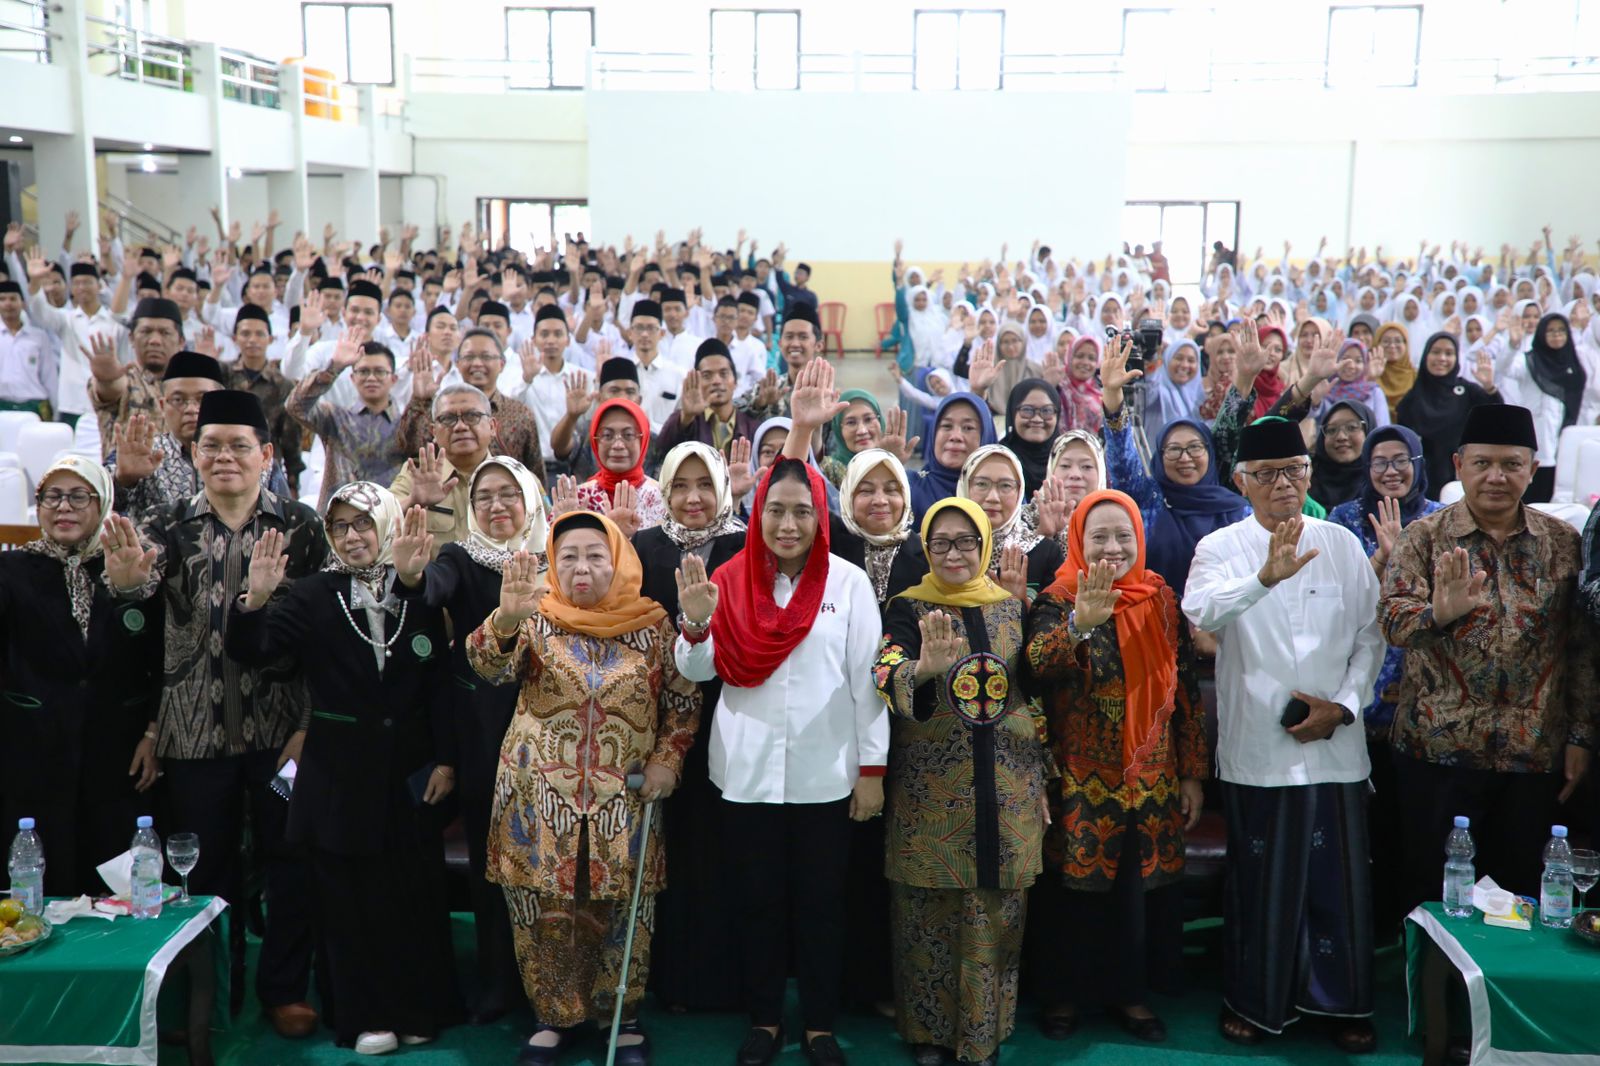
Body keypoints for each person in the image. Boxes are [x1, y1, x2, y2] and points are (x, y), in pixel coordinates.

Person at [101, 389, 328, 1039]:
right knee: (205, 871)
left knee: (291, 862)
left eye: (238, 446)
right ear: (195, 455)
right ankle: (214, 993)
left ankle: (283, 990)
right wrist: (125, 585)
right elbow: (137, 599)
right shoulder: (168, 523)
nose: (225, 457)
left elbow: (324, 636)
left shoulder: (302, 528)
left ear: (266, 454)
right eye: (211, 446)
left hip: (282, 731)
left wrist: (309, 725)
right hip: (194, 729)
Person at [228, 483, 462, 1054]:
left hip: (411, 769)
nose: (353, 536)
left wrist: (448, 759)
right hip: (338, 771)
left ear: (386, 524)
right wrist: (255, 601)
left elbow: (441, 684)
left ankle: (417, 1009)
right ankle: (362, 1016)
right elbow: (255, 651)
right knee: (348, 899)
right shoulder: (312, 593)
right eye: (340, 526)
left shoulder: (416, 586)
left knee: (413, 892)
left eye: (363, 523)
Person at [674, 458, 887, 1066]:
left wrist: (872, 771)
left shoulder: (848, 583)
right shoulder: (729, 578)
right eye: (775, 510)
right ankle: (764, 1020)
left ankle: (819, 1025)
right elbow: (698, 671)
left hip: (827, 774)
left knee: (822, 906)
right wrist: (695, 621)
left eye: (802, 512)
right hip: (746, 772)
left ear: (821, 517)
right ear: (757, 514)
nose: (788, 525)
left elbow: (869, 683)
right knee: (756, 903)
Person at [1182, 418, 1384, 1053]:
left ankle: (1345, 1003)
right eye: (1266, 474)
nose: (1282, 485)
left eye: (1293, 471)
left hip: (1336, 746)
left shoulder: (1342, 545)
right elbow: (1201, 611)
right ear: (1242, 481)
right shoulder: (1220, 548)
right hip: (1259, 753)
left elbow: (1371, 638)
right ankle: (1256, 1001)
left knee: (1339, 885)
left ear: (1309, 474)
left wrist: (1342, 708)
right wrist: (1264, 578)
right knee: (1263, 886)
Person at [467, 511, 698, 1066]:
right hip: (538, 797)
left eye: (595, 556)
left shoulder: (654, 626)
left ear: (618, 560)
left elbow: (683, 701)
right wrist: (504, 619)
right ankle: (553, 1016)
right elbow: (488, 668)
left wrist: (667, 762)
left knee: (624, 905)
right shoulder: (535, 616)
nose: (581, 568)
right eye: (568, 557)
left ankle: (622, 1016)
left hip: (626, 796)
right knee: (543, 907)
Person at [1381, 404, 1595, 908]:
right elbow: (1392, 622)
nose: (1496, 477)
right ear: (1459, 465)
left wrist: (1581, 736)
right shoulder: (1423, 537)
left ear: (1533, 469)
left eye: (1511, 464)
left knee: (1518, 898)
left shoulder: (1562, 542)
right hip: (1438, 753)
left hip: (1533, 753)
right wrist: (1437, 614)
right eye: (1482, 463)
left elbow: (1582, 647)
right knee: (1434, 896)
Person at [1025, 489, 1207, 1044]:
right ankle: (1063, 997)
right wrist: (1079, 625)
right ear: (1078, 541)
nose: (1112, 547)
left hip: (1151, 775)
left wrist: (1191, 773)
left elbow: (1186, 691)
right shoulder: (1058, 599)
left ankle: (1131, 995)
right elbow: (1034, 669)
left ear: (1139, 539)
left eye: (1123, 536)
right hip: (1078, 775)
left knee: (1136, 892)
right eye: (1098, 536)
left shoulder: (1161, 599)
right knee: (1072, 894)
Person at [874, 497, 1047, 1066]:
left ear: (984, 546)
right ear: (926, 548)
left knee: (996, 914)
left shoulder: (1012, 608)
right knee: (926, 915)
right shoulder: (907, 606)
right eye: (941, 542)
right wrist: (921, 670)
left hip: (1007, 785)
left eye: (966, 541)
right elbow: (883, 669)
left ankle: (983, 1035)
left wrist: (1043, 779)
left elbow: (1035, 693)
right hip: (931, 793)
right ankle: (928, 1036)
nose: (954, 553)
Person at [392, 455, 546, 1024]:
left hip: (550, 728)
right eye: (484, 497)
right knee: (491, 863)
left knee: (547, 860)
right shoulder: (462, 556)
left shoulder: (555, 556)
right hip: (482, 730)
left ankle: (553, 984)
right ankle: (499, 983)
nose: (497, 506)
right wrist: (412, 575)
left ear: (529, 499)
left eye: (508, 494)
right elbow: (432, 588)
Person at [0, 455, 157, 897]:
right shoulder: (11, 571)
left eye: (78, 496)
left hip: (117, 755)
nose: (63, 507)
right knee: (43, 887)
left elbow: (157, 657)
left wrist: (129, 591)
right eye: (52, 496)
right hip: (34, 754)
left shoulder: (127, 563)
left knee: (114, 887)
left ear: (102, 503)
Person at [633, 441, 748, 1013]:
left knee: (724, 846)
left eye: (705, 484)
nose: (693, 497)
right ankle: (671, 978)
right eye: (680, 485)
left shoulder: (745, 546)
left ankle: (726, 980)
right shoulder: (644, 546)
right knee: (672, 844)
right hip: (663, 719)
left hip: (733, 710)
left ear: (723, 488)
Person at [1325, 424, 1443, 934]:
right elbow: (1333, 600)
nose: (1390, 471)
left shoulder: (1441, 520)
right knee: (1357, 829)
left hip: (1422, 702)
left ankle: (1407, 931)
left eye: (1401, 460)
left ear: (1419, 463)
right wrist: (1378, 562)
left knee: (1411, 827)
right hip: (1357, 695)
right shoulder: (1343, 520)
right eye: (1379, 462)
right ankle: (1360, 930)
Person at [1102, 335, 1248, 596]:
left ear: (1210, 453)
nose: (1185, 458)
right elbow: (1122, 460)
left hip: (1225, 617)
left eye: (1195, 448)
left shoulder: (1239, 510)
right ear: (1159, 456)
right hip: (1157, 616)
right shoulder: (1150, 501)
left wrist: (1246, 377)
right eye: (1173, 450)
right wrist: (1113, 395)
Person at [400, 329, 548, 486]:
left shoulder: (520, 414)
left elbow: (535, 472)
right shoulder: (440, 412)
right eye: (469, 357)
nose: (477, 363)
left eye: (486, 357)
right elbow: (405, 449)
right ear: (458, 364)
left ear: (501, 364)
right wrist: (419, 400)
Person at [287, 334, 406, 510]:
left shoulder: (406, 426)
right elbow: (295, 406)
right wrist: (333, 368)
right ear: (352, 378)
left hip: (391, 516)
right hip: (338, 518)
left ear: (393, 379)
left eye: (379, 371)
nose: (371, 378)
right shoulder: (335, 418)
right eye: (363, 371)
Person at [391, 382, 500, 551]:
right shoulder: (418, 473)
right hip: (433, 568)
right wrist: (413, 500)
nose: (460, 427)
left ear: (492, 426)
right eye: (448, 419)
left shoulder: (515, 476)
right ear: (434, 432)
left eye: (472, 416)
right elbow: (381, 517)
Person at [1395, 331, 1501, 500]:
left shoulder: (1467, 391)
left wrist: (1489, 387)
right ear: (1426, 355)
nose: (1442, 358)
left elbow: (1497, 417)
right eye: (1436, 352)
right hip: (1422, 481)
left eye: (1449, 353)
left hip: (1460, 477)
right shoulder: (1412, 398)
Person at [1497, 312, 1587, 502]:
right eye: (1551, 331)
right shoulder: (1529, 361)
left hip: (1564, 440)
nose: (1556, 335)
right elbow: (1505, 369)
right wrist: (1512, 345)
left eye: (1561, 330)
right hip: (1536, 442)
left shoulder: (1573, 364)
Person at [956, 444, 1066, 598]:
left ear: (1019, 492)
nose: (993, 497)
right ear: (965, 486)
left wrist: (1017, 602)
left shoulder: (1044, 553)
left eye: (1005, 486)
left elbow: (1057, 610)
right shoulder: (943, 547)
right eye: (981, 484)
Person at [556, 397, 667, 534]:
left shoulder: (661, 498)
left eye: (628, 435)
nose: (618, 445)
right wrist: (565, 527)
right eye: (607, 435)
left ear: (643, 440)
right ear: (595, 441)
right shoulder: (578, 498)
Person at [650, 339, 761, 466]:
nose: (717, 381)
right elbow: (660, 450)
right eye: (707, 375)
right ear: (697, 382)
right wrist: (686, 417)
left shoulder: (752, 427)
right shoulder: (685, 420)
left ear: (735, 381)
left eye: (723, 374)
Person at [909, 393, 997, 523]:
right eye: (947, 426)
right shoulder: (910, 487)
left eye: (968, 428)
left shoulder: (1002, 491)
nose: (955, 436)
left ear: (986, 435)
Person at [0, 279, 56, 419]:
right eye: (2, 299)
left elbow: (49, 376)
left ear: (23, 304)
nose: (8, 304)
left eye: (13, 299)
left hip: (33, 405)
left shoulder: (39, 337)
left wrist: (55, 409)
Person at [998, 378, 1062, 497]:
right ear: (1012, 413)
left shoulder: (1065, 457)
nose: (1037, 419)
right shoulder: (999, 458)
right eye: (1027, 410)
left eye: (1046, 410)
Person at [1308, 400, 1375, 510]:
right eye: (1331, 430)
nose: (1341, 437)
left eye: (1352, 428)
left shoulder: (1380, 482)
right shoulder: (1305, 477)